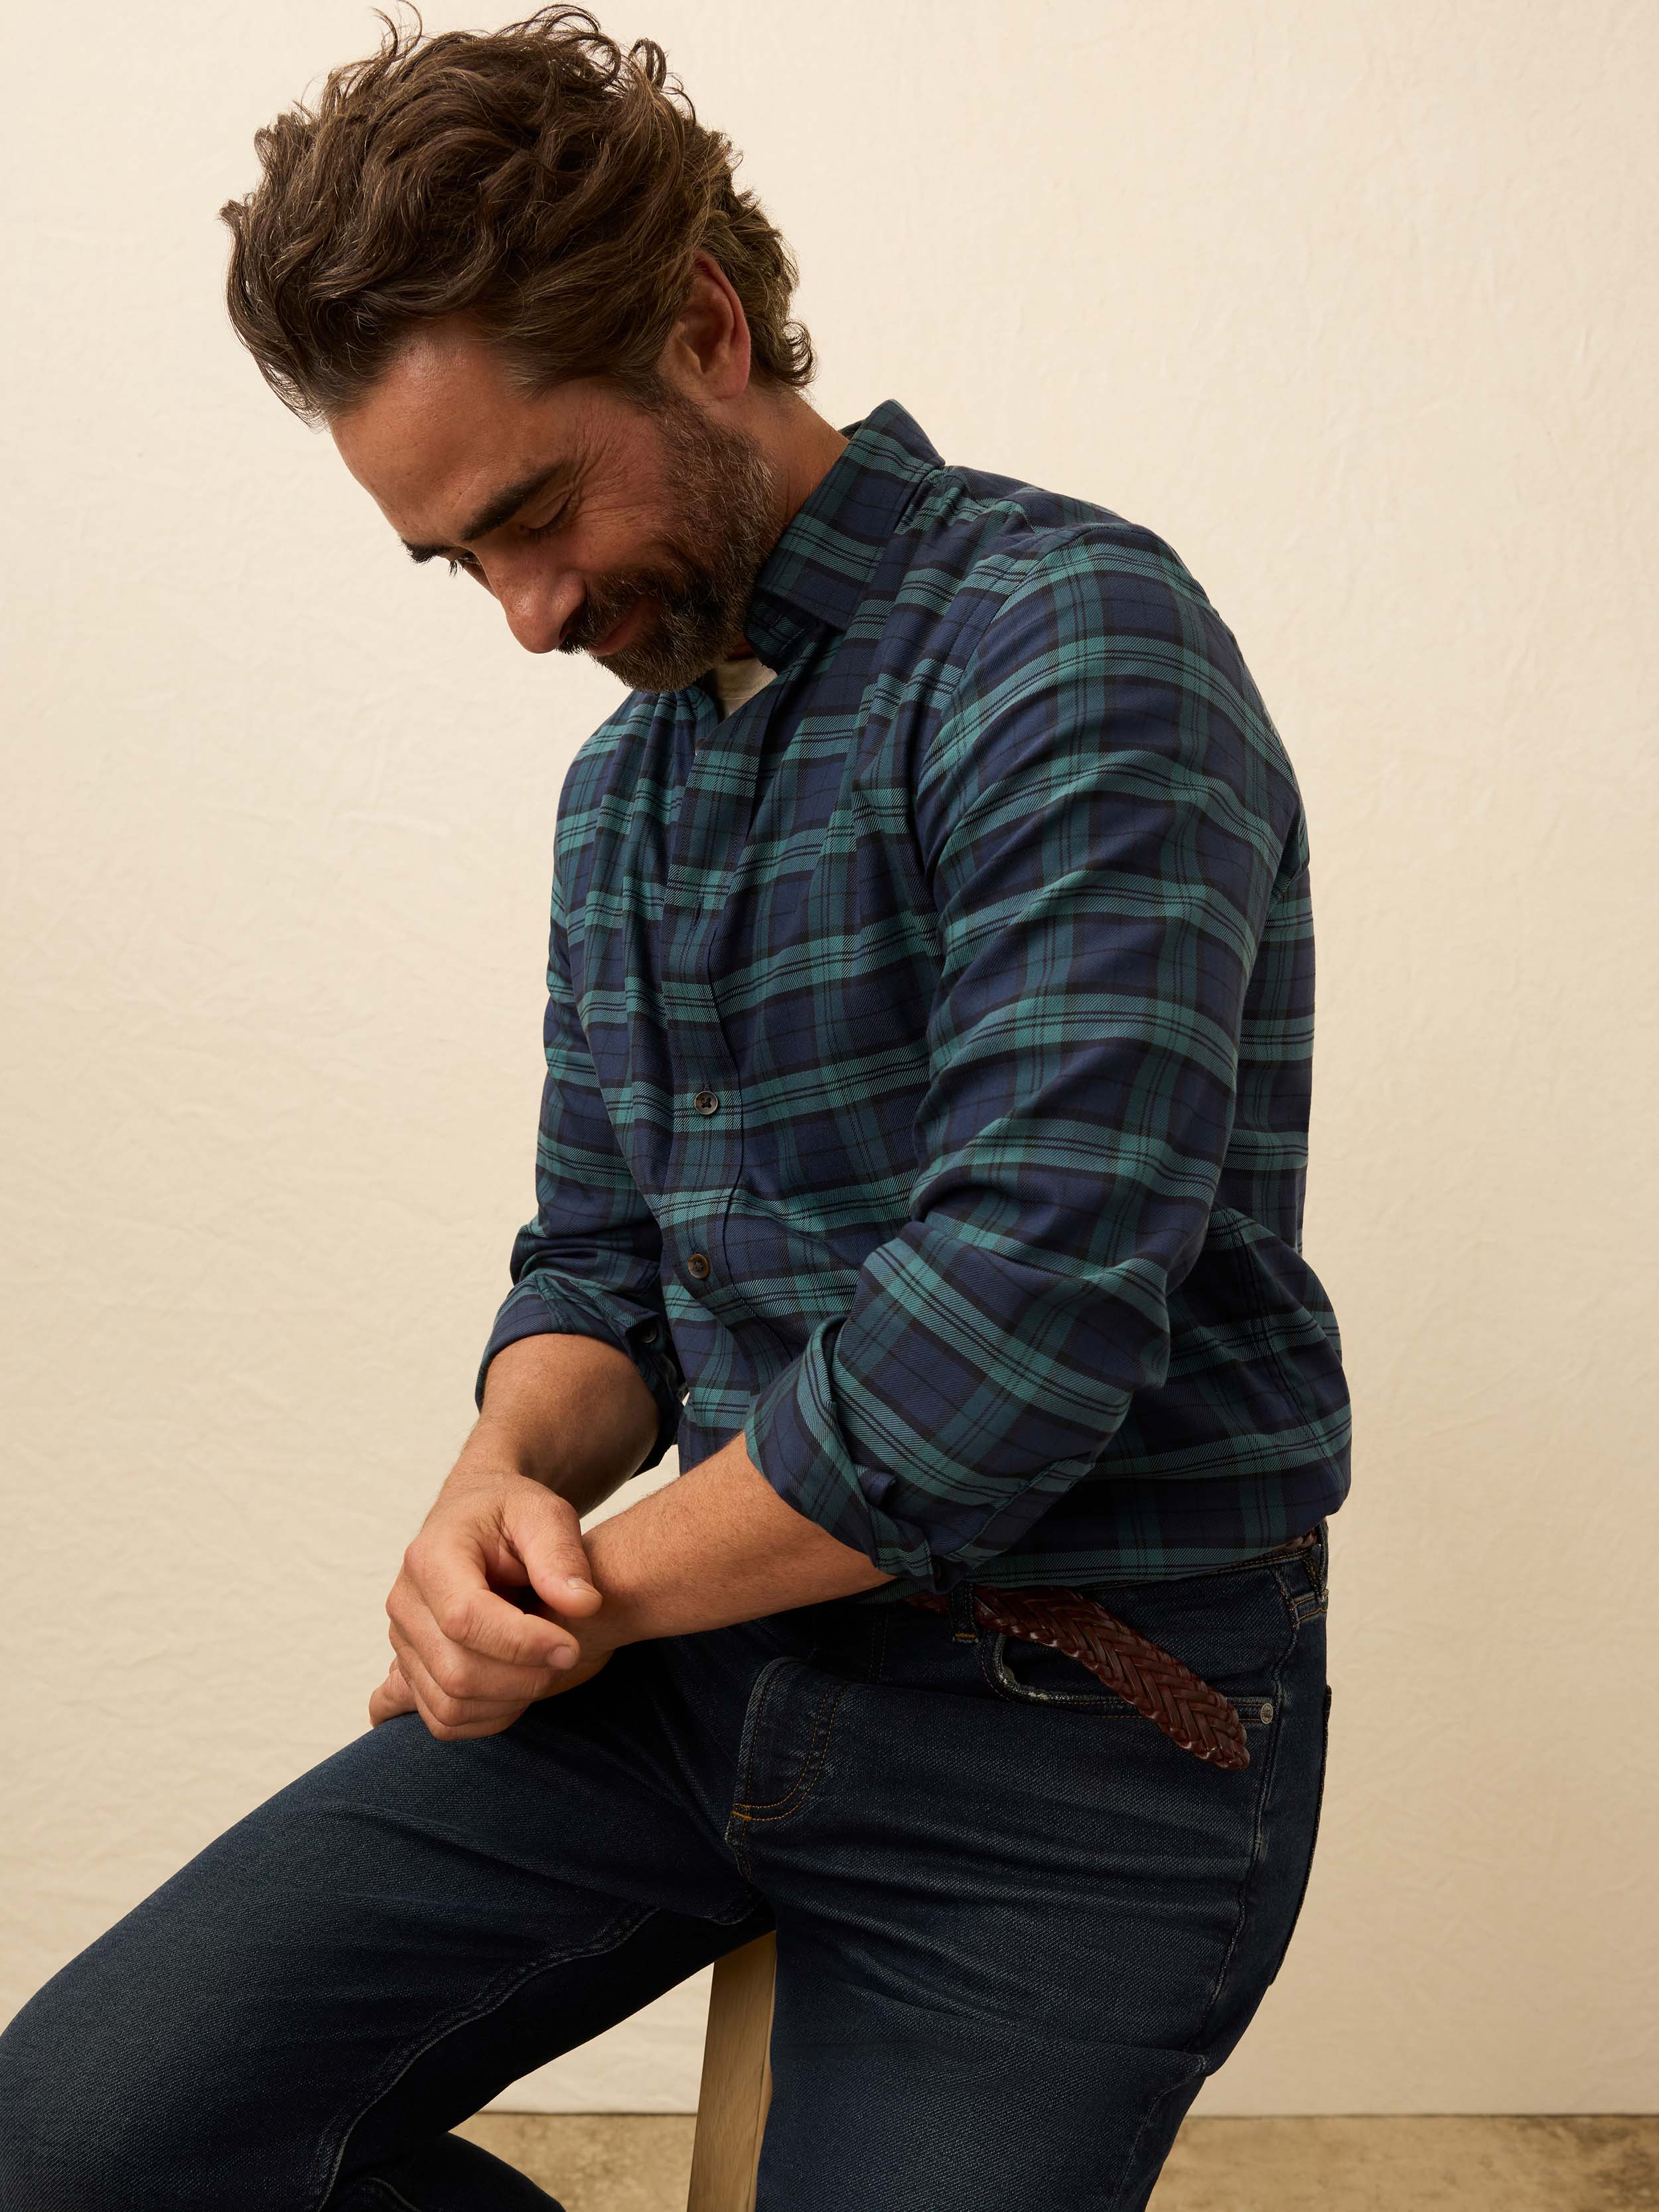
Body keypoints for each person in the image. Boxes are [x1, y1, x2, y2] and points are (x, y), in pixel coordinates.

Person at [0, 9, 1351, 2208]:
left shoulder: (1071, 639)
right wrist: (493, 1495)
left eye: (534, 514)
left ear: (702, 328)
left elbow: (1008, 1331)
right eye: (459, 561)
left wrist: (593, 1591)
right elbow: (599, 1260)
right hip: (696, 1671)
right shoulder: (624, 785)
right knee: (61, 2153)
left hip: (1071, 1726)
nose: (525, 616)